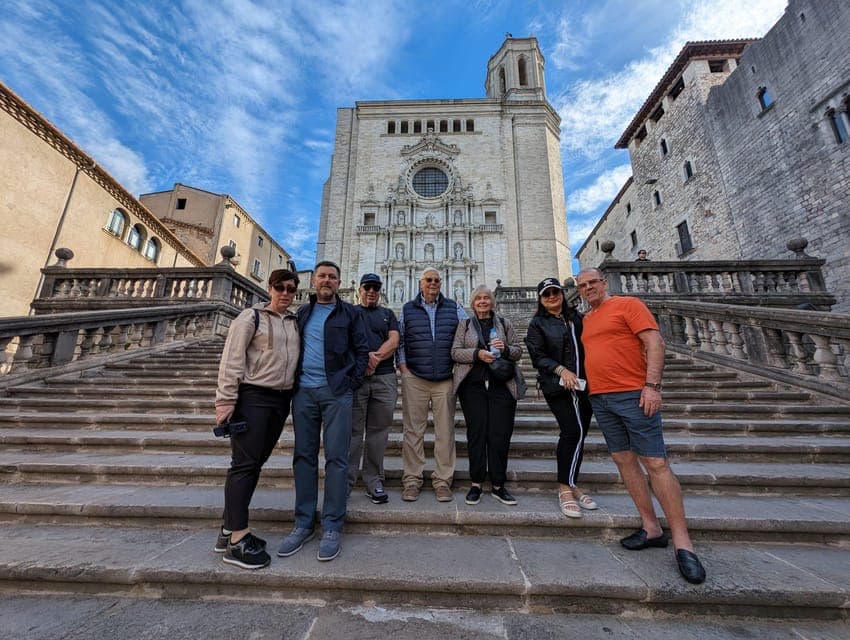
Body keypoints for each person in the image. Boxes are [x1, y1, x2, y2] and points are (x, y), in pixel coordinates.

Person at [575, 267, 706, 584]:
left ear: (604, 283)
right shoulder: (587, 319)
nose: (589, 288)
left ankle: (683, 544)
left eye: (593, 282)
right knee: (623, 460)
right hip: (601, 398)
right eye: (583, 285)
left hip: (634, 394)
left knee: (656, 462)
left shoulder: (628, 305)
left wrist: (653, 386)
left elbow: (655, 342)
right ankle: (651, 527)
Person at [276, 261, 369, 562]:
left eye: (332, 277)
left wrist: (348, 384)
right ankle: (303, 523)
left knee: (337, 458)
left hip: (336, 393)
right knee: (303, 456)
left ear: (340, 283)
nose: (327, 281)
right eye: (322, 276)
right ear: (313, 282)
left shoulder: (351, 313)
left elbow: (362, 351)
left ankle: (332, 525)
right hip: (303, 392)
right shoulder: (302, 313)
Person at [214, 269, 300, 570]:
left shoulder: (293, 322)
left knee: (253, 463)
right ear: (270, 288)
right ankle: (238, 540)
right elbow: (232, 358)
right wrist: (225, 400)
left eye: (291, 289)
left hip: (280, 400)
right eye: (280, 287)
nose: (286, 293)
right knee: (244, 464)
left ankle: (227, 529)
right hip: (253, 397)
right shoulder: (251, 317)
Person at [524, 277, 595, 519]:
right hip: (557, 386)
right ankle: (565, 488)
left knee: (580, 434)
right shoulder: (537, 324)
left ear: (563, 294)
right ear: (540, 299)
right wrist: (561, 370)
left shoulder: (578, 319)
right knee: (572, 431)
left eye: (556, 292)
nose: (552, 296)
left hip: (585, 385)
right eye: (546, 294)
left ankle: (572, 482)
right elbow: (537, 356)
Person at [397, 267, 467, 502]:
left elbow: (468, 334)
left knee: (445, 431)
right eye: (428, 280)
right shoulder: (407, 309)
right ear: (420, 283)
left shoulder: (454, 308)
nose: (433, 283)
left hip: (445, 379)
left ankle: (442, 480)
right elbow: (401, 340)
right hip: (415, 377)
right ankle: (412, 480)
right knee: (413, 431)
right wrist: (404, 368)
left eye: (437, 280)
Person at [451, 284, 524, 506]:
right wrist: (477, 354)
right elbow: (454, 352)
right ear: (472, 303)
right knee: (477, 433)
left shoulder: (504, 323)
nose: (483, 301)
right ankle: (476, 483)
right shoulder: (463, 325)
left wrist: (504, 350)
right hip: (472, 386)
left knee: (500, 435)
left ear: (492, 302)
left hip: (501, 385)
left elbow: (518, 350)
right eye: (478, 299)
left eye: (486, 298)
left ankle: (499, 484)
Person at [348, 273, 400, 504]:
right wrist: (363, 362)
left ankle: (373, 479)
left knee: (379, 431)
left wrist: (375, 359)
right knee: (353, 432)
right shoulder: (349, 313)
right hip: (357, 380)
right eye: (367, 287)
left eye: (376, 288)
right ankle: (345, 481)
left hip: (385, 377)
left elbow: (394, 340)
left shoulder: (387, 314)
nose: (371, 291)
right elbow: (343, 341)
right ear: (360, 289)